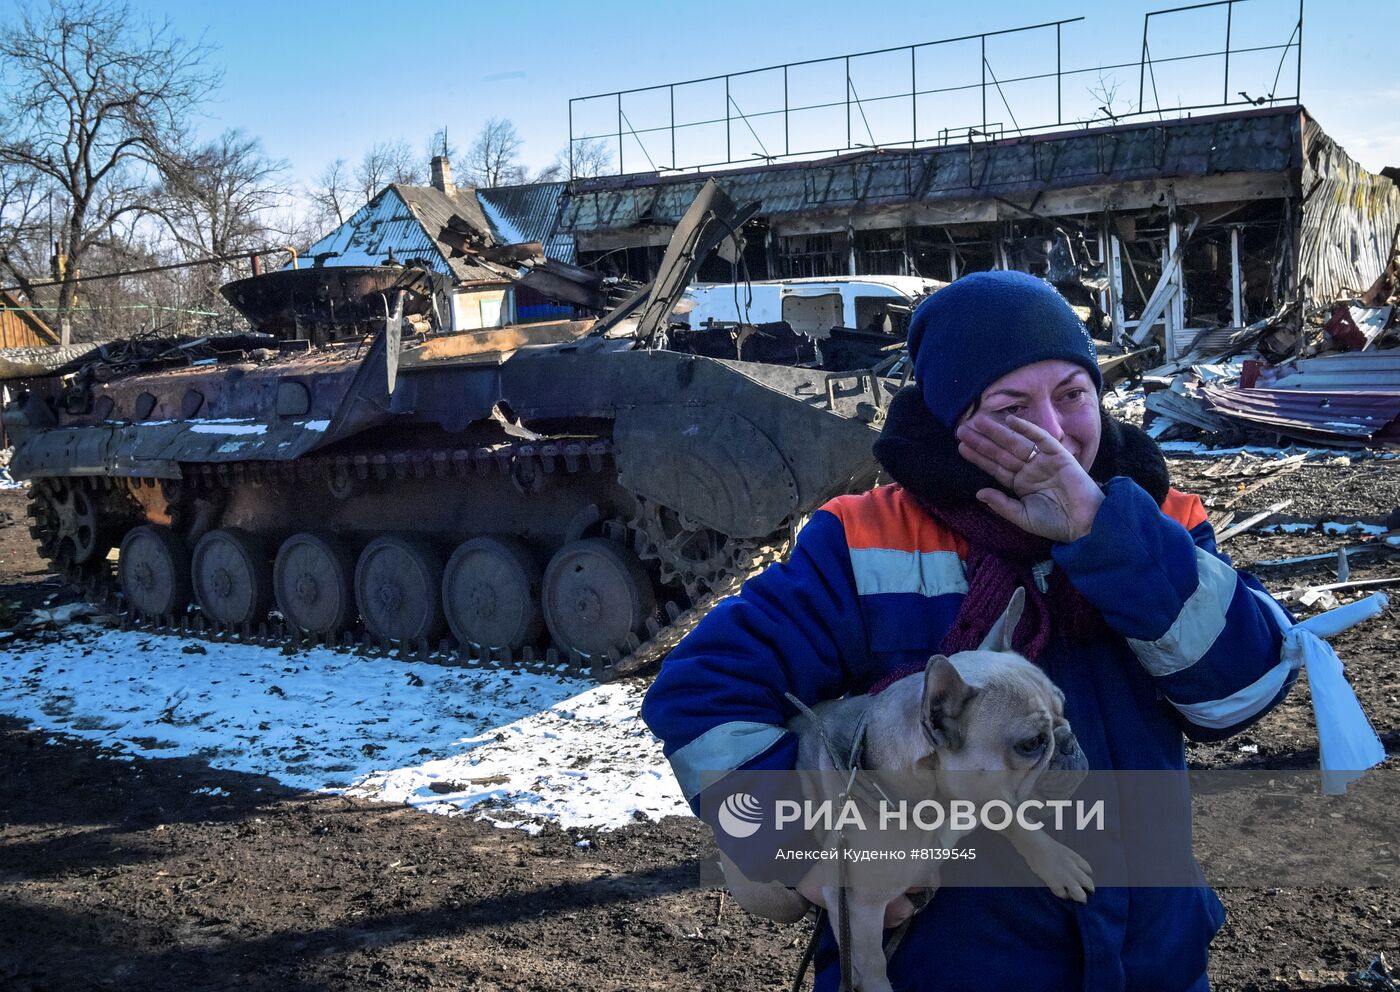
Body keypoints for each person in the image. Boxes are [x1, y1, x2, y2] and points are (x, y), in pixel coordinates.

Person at [641, 270, 1294, 992]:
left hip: (1152, 965)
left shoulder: (1159, 523)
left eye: (1072, 395)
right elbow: (702, 692)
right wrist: (794, 852)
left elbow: (1241, 693)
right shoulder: (865, 537)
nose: (1053, 433)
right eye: (1011, 407)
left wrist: (1104, 534)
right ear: (954, 421)